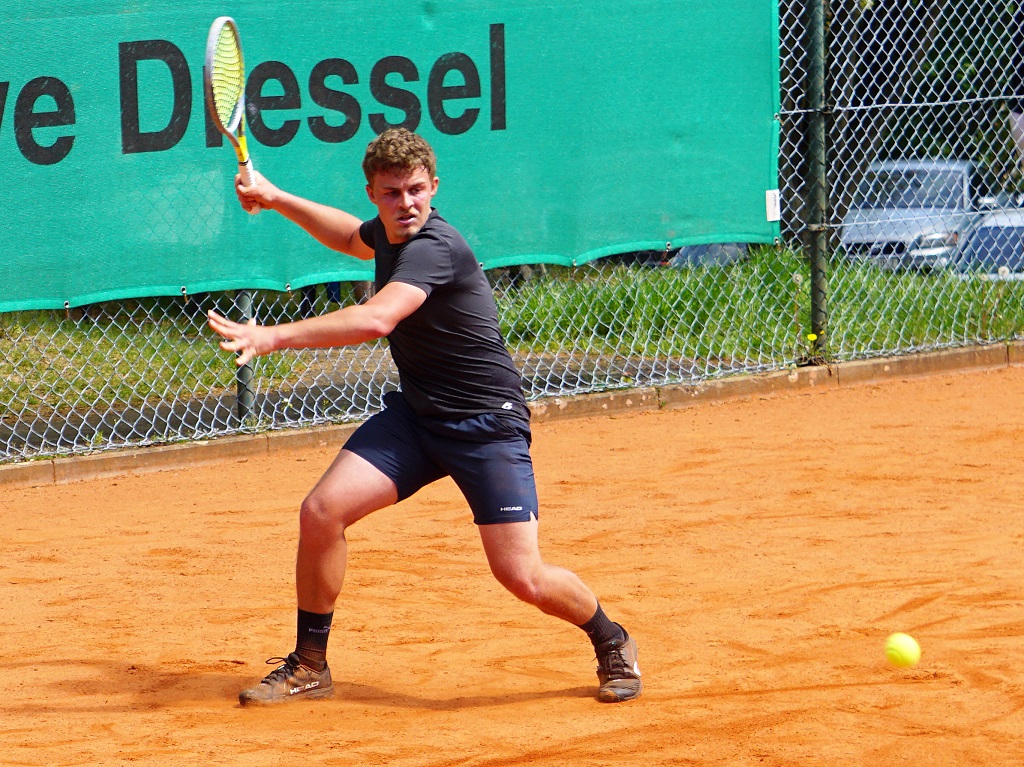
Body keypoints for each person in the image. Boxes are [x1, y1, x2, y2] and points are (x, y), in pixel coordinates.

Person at [207, 128, 641, 706]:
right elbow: (349, 237)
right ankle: (310, 664)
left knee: (522, 575)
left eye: (415, 190)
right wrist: (276, 196)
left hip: (485, 425)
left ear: (434, 188)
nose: (405, 203)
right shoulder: (388, 233)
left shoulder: (434, 246)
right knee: (321, 512)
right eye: (391, 193)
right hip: (418, 417)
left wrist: (274, 335)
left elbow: (377, 319)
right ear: (373, 194)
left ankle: (610, 638)